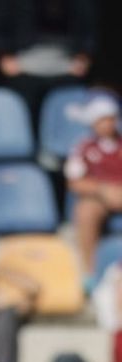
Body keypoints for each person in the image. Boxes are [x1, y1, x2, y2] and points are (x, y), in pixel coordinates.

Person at [0, 0, 97, 119]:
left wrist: (84, 55)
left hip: (66, 60)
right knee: (22, 113)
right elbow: (0, 23)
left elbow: (88, 24)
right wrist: (5, 54)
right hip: (24, 60)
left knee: (68, 112)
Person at [64, 93, 122, 278]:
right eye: (101, 120)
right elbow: (75, 182)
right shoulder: (83, 147)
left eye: (110, 119)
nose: (107, 124)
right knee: (85, 211)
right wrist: (102, 189)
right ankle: (89, 272)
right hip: (101, 197)